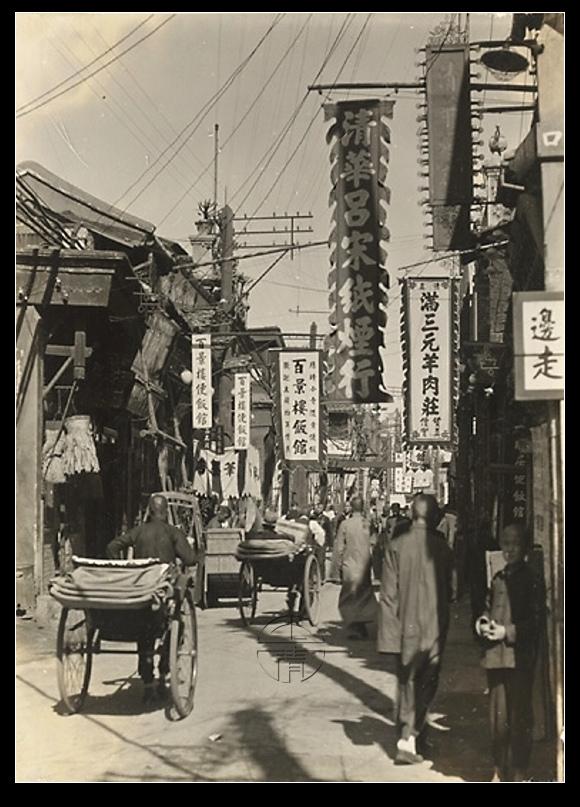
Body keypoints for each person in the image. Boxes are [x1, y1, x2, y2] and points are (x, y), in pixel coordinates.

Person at [378, 493, 452, 765]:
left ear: (411, 515)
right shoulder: (443, 549)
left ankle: (409, 737)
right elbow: (451, 589)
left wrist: (388, 638)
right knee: (427, 683)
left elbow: (388, 596)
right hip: (434, 628)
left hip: (405, 628)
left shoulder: (396, 546)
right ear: (434, 517)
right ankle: (410, 738)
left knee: (407, 684)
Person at [106, 493, 197, 705]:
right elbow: (190, 559)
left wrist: (123, 571)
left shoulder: (139, 531)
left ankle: (147, 684)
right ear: (165, 512)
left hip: (142, 591)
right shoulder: (173, 532)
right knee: (174, 625)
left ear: (149, 511)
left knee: (144, 633)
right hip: (162, 592)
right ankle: (164, 674)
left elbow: (112, 547)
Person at [475, 522, 540, 782]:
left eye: (515, 544)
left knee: (519, 716)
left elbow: (536, 621)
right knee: (497, 718)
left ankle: (519, 770)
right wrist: (482, 622)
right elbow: (488, 605)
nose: (509, 549)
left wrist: (507, 632)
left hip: (518, 660)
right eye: (505, 543)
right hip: (496, 658)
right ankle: (499, 769)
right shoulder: (498, 578)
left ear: (523, 547)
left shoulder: (531, 579)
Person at [328, 495, 378, 640]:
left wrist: (335, 570)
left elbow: (339, 548)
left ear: (351, 507)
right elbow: (374, 543)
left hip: (349, 564)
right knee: (363, 594)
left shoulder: (345, 524)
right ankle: (360, 625)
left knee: (350, 595)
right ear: (363, 507)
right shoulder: (368, 524)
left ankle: (355, 627)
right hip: (364, 565)